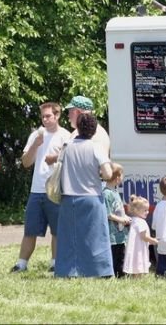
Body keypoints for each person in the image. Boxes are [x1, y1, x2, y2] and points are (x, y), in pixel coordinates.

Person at [11, 102, 71, 273]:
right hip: (36, 190)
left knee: (57, 230)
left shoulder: (66, 136)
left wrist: (58, 155)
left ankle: (55, 263)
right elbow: (25, 163)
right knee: (30, 229)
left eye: (48, 116)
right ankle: (21, 264)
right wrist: (36, 144)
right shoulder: (36, 135)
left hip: (56, 189)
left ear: (57, 116)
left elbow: (72, 159)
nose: (45, 120)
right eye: (43, 116)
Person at [54, 113, 114, 278]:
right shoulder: (96, 147)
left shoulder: (67, 146)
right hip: (91, 197)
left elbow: (59, 167)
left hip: (69, 197)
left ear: (78, 127)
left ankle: (67, 270)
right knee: (96, 239)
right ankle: (100, 270)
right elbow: (108, 174)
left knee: (69, 238)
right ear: (94, 130)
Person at [104, 163, 131, 278]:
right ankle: (111, 274)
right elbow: (108, 214)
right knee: (114, 255)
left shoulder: (115, 192)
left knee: (121, 254)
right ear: (117, 178)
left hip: (119, 234)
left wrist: (125, 218)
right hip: (112, 235)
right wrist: (121, 219)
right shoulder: (106, 194)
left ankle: (120, 274)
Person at [123, 195, 158, 277]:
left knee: (135, 265)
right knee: (139, 264)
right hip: (139, 249)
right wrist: (153, 240)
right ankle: (138, 279)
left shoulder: (133, 220)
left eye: (148, 210)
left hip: (135, 248)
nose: (147, 212)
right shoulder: (141, 222)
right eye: (145, 210)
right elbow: (144, 236)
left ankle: (135, 279)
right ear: (136, 210)